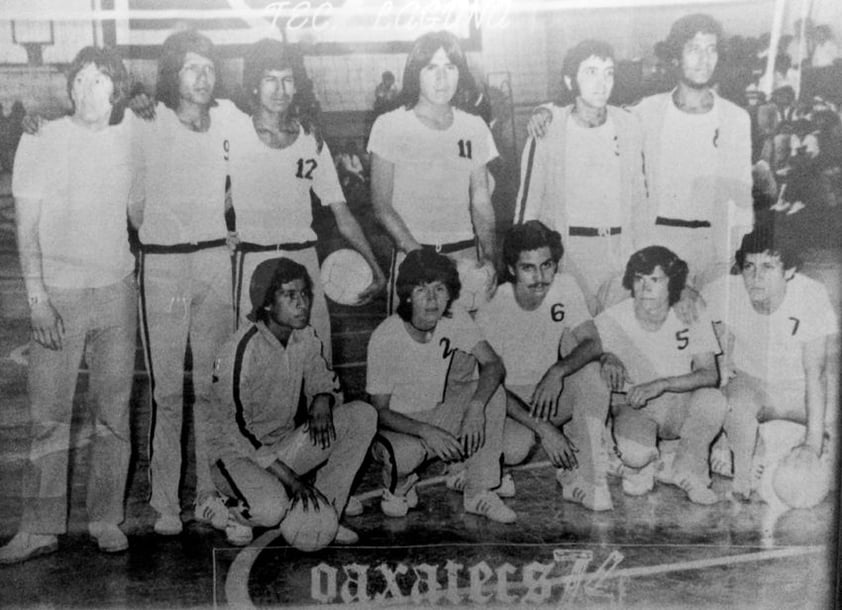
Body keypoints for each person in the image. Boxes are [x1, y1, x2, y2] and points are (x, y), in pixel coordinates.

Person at [1, 46, 136, 563]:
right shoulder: (41, 138)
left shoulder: (129, 137)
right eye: (79, 80)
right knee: (49, 418)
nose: (87, 91)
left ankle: (106, 518)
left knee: (113, 415)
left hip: (116, 291)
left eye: (100, 81)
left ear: (116, 89)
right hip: (57, 294)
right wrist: (37, 300)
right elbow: (26, 230)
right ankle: (39, 527)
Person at [131, 29, 239, 536]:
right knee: (168, 390)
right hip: (165, 265)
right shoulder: (145, 121)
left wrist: (221, 227)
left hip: (215, 262)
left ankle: (209, 495)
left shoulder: (229, 121)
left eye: (209, 67)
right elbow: (132, 204)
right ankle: (165, 500)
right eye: (192, 67)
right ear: (173, 74)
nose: (202, 77)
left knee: (212, 389)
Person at [228, 39, 384, 358]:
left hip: (303, 263)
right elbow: (212, 197)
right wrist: (215, 234)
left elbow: (342, 213)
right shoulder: (232, 135)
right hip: (253, 264)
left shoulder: (310, 139)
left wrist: (374, 264)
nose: (279, 89)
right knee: (256, 372)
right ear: (254, 86)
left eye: (287, 79)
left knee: (316, 367)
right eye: (270, 79)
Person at [206, 258, 376, 545]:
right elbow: (236, 431)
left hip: (282, 447)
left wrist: (322, 398)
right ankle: (227, 509)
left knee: (362, 415)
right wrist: (292, 480)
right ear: (268, 303)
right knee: (271, 511)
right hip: (236, 457)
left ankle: (325, 514)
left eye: (305, 294)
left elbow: (324, 378)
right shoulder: (240, 349)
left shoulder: (304, 335)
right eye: (290, 295)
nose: (303, 304)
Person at [366, 249, 516, 523]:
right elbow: (380, 412)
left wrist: (475, 407)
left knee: (491, 392)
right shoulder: (386, 337)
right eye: (422, 290)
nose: (432, 299)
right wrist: (426, 431)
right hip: (399, 427)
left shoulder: (453, 316)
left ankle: (478, 490)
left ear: (450, 293)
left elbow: (493, 365)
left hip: (438, 413)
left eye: (439, 289)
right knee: (405, 456)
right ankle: (399, 482)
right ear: (408, 294)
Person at [476, 221, 613, 511]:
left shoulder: (565, 286)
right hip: (506, 399)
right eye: (528, 268)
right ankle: (472, 466)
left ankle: (581, 476)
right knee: (514, 448)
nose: (540, 277)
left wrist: (557, 371)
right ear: (512, 269)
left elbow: (593, 342)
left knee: (591, 374)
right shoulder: (494, 304)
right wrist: (546, 430)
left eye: (547, 265)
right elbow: (488, 384)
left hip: (546, 392)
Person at [703, 227, 838, 501]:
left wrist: (813, 445)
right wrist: (685, 297)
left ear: (788, 271)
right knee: (728, 401)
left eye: (768, 266)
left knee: (830, 422)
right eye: (749, 266)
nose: (756, 277)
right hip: (754, 388)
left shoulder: (811, 295)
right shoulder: (728, 290)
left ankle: (794, 445)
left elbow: (816, 375)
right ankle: (743, 446)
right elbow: (685, 296)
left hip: (800, 390)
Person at [368, 30, 498, 315]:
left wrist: (489, 255)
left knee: (470, 354)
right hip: (415, 261)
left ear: (459, 73)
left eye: (450, 68)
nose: (442, 78)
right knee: (414, 355)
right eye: (432, 68)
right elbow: (381, 205)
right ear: (416, 73)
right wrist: (420, 258)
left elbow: (480, 200)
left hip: (466, 261)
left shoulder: (474, 127)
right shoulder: (390, 125)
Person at [515, 39, 647, 315]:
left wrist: (642, 258)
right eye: (591, 72)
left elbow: (639, 200)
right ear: (569, 80)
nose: (602, 83)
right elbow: (528, 206)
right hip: (568, 254)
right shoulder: (548, 130)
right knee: (577, 345)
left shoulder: (629, 126)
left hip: (619, 253)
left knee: (617, 345)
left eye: (608, 72)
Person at [595, 246, 726, 505]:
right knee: (635, 461)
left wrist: (662, 384)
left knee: (713, 400)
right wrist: (605, 358)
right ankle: (644, 464)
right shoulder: (615, 317)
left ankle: (690, 471)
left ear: (672, 283)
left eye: (655, 280)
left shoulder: (689, 312)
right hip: (637, 408)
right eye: (639, 279)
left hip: (678, 403)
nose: (645, 289)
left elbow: (710, 374)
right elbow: (577, 346)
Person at [633, 14, 753, 289]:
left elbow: (742, 195)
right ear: (676, 56)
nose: (704, 59)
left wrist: (739, 252)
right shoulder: (646, 112)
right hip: (661, 242)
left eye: (711, 49)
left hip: (715, 248)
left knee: (712, 328)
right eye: (694, 49)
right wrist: (549, 112)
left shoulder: (736, 118)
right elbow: (598, 118)